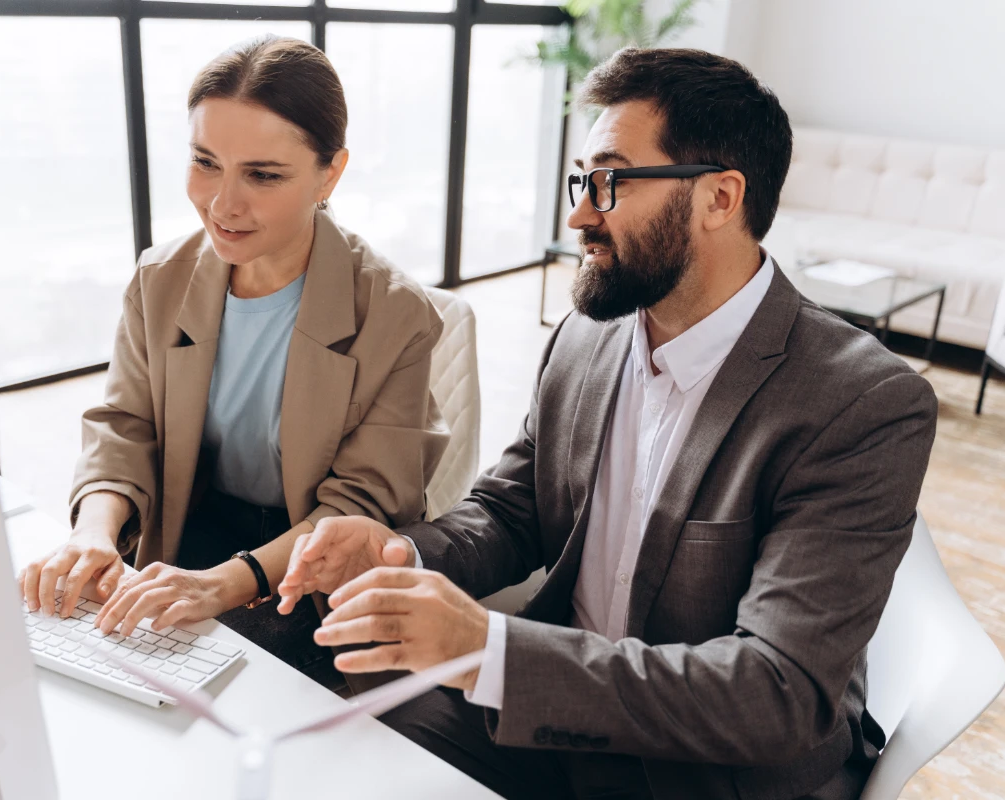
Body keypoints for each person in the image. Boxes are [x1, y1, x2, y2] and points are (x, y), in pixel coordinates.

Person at [276, 48, 938, 798]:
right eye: (581, 180)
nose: (578, 213)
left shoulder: (860, 403)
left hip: (716, 771)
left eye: (611, 181)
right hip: (556, 721)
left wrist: (486, 650)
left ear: (720, 198)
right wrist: (401, 554)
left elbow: (774, 691)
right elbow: (511, 510)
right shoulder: (589, 337)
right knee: (335, 754)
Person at [18, 35, 449, 692]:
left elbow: (358, 505)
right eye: (206, 163)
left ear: (329, 174)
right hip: (190, 521)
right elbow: (125, 425)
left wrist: (226, 583)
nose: (223, 204)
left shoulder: (396, 315)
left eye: (263, 174)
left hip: (302, 565)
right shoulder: (161, 279)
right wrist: (94, 532)